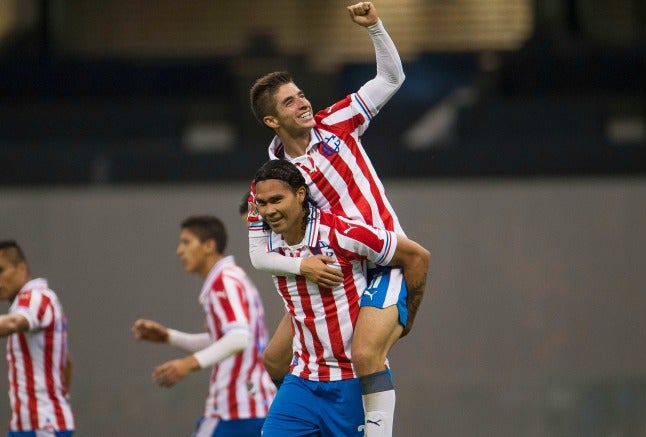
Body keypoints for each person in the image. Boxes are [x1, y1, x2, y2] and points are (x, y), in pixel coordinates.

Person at [248, 3, 422, 433]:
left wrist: (375, 28)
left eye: (301, 94)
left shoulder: (339, 122)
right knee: (273, 360)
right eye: (290, 102)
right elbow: (257, 252)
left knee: (364, 355)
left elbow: (391, 79)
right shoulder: (273, 182)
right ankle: (304, 416)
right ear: (272, 120)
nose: (304, 103)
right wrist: (302, 264)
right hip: (334, 270)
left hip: (382, 260)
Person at [251, 159, 429, 436]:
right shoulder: (266, 241)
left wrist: (407, 318)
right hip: (303, 379)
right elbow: (256, 254)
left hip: (350, 382)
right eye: (263, 204)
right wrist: (302, 266)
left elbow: (417, 256)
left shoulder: (341, 233)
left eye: (277, 200)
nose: (269, 211)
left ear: (300, 194)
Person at [132, 216, 276, 436]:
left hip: (234, 411)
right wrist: (170, 337)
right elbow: (227, 340)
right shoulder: (233, 277)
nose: (179, 251)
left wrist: (187, 364)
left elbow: (239, 338)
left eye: (186, 242)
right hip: (254, 405)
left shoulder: (223, 281)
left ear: (209, 246)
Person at [0, 240, 75, 436]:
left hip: (43, 426)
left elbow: (12, 324)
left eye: (1, 271)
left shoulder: (34, 297)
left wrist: (48, 406)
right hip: (26, 426)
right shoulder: (37, 300)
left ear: (22, 268)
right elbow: (67, 363)